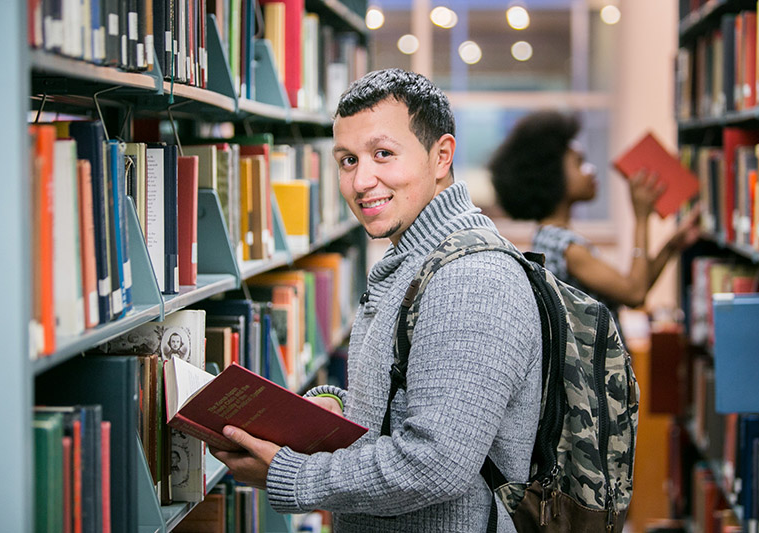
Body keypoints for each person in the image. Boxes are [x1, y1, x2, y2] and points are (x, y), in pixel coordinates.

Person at [211, 68, 543, 532]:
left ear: (441, 156)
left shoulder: (472, 278)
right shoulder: (416, 260)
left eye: (383, 154)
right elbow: (415, 396)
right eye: (347, 160)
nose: (362, 180)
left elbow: (436, 463)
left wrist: (291, 475)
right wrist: (336, 411)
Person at [487, 110, 700, 323]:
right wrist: (641, 217)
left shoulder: (548, 238)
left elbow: (632, 285)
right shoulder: (568, 248)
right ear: (552, 176)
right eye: (579, 163)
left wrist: (671, 246)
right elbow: (635, 294)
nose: (591, 170)